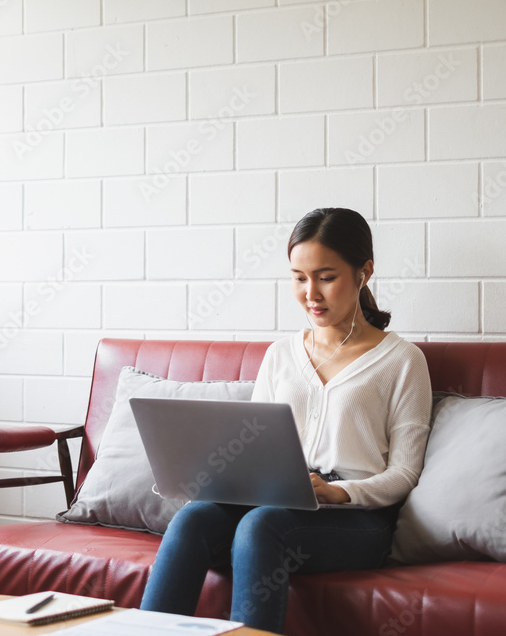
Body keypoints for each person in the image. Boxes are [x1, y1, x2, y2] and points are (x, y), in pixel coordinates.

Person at [139, 207, 433, 634]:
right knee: (194, 517)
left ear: (364, 272)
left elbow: (405, 472)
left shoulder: (403, 361)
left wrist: (337, 493)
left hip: (358, 519)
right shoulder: (280, 355)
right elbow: (252, 445)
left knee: (262, 526)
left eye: (326, 277)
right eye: (299, 277)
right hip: (280, 499)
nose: (311, 292)